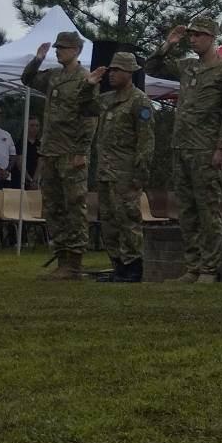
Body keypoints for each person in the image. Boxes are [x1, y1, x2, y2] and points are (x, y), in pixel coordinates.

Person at [150, 19, 222, 284]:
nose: (193, 39)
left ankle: (209, 268)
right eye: (191, 35)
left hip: (206, 149)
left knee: (208, 210)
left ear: (212, 37)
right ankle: (193, 267)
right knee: (186, 210)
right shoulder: (187, 67)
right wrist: (169, 44)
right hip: (182, 146)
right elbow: (151, 67)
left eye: (198, 35)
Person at [21, 33, 99, 280]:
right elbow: (28, 79)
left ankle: (74, 261)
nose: (58, 51)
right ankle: (62, 258)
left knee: (74, 206)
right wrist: (38, 59)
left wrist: (81, 151)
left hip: (70, 152)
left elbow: (89, 118)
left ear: (76, 50)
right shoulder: (54, 76)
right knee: (53, 208)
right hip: (51, 151)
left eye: (63, 48)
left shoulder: (84, 79)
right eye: (57, 48)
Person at [92, 52, 155, 282]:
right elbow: (83, 107)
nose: (112, 74)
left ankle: (134, 268)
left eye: (117, 70)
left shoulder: (139, 101)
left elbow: (146, 142)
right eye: (111, 70)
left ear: (129, 73)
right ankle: (118, 266)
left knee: (128, 221)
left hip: (126, 174)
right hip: (106, 173)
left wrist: (140, 176)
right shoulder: (107, 100)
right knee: (108, 221)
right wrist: (88, 84)